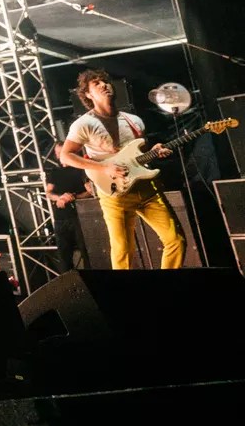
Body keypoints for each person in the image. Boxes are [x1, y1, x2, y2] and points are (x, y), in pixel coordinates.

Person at [58, 69, 184, 270]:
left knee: (176, 240)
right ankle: (124, 297)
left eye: (105, 82)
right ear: (88, 95)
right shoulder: (83, 124)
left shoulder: (133, 120)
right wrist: (104, 167)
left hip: (146, 189)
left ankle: (166, 288)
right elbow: (66, 156)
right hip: (115, 193)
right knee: (123, 251)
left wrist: (154, 151)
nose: (104, 85)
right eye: (96, 83)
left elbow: (137, 153)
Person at [44, 150, 93, 273]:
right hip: (61, 218)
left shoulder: (80, 170)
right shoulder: (55, 173)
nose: (60, 155)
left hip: (79, 217)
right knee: (64, 256)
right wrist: (60, 198)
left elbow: (90, 191)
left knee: (87, 252)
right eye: (58, 153)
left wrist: (74, 196)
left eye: (62, 151)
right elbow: (48, 193)